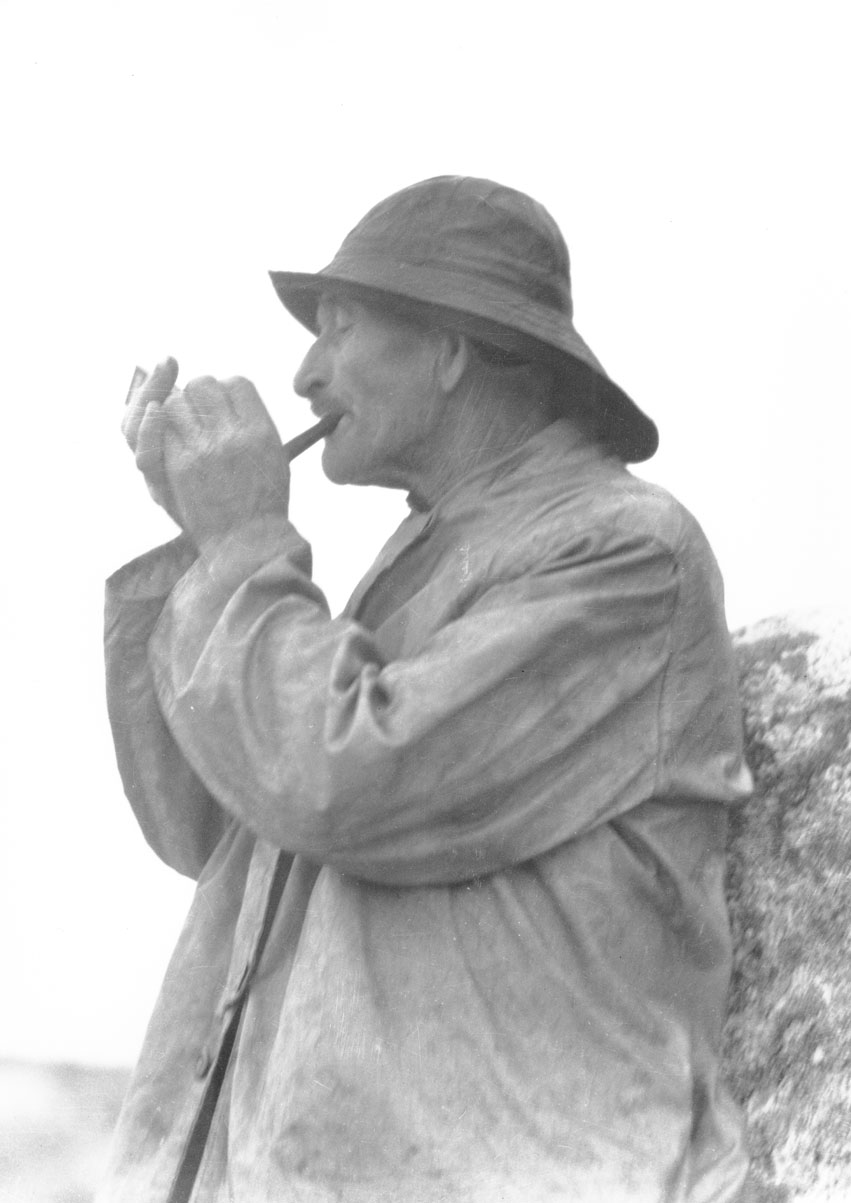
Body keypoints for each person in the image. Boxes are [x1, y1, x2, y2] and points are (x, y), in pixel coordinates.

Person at [100, 176, 752, 1202]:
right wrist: (202, 542)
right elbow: (209, 826)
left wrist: (238, 547)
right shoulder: (431, 555)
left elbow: (337, 784)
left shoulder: (620, 551)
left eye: (340, 330)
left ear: (451, 350)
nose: (305, 375)